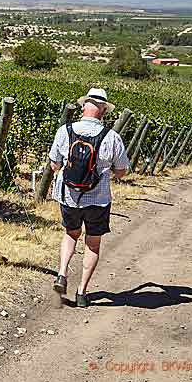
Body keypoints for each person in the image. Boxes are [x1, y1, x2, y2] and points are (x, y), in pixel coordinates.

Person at [49, 87, 129, 307]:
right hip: (98, 199)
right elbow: (122, 171)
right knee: (93, 244)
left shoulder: (64, 131)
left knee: (70, 234)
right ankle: (82, 293)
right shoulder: (112, 137)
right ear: (103, 111)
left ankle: (62, 273)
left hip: (69, 196)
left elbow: (54, 164)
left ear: (84, 106)